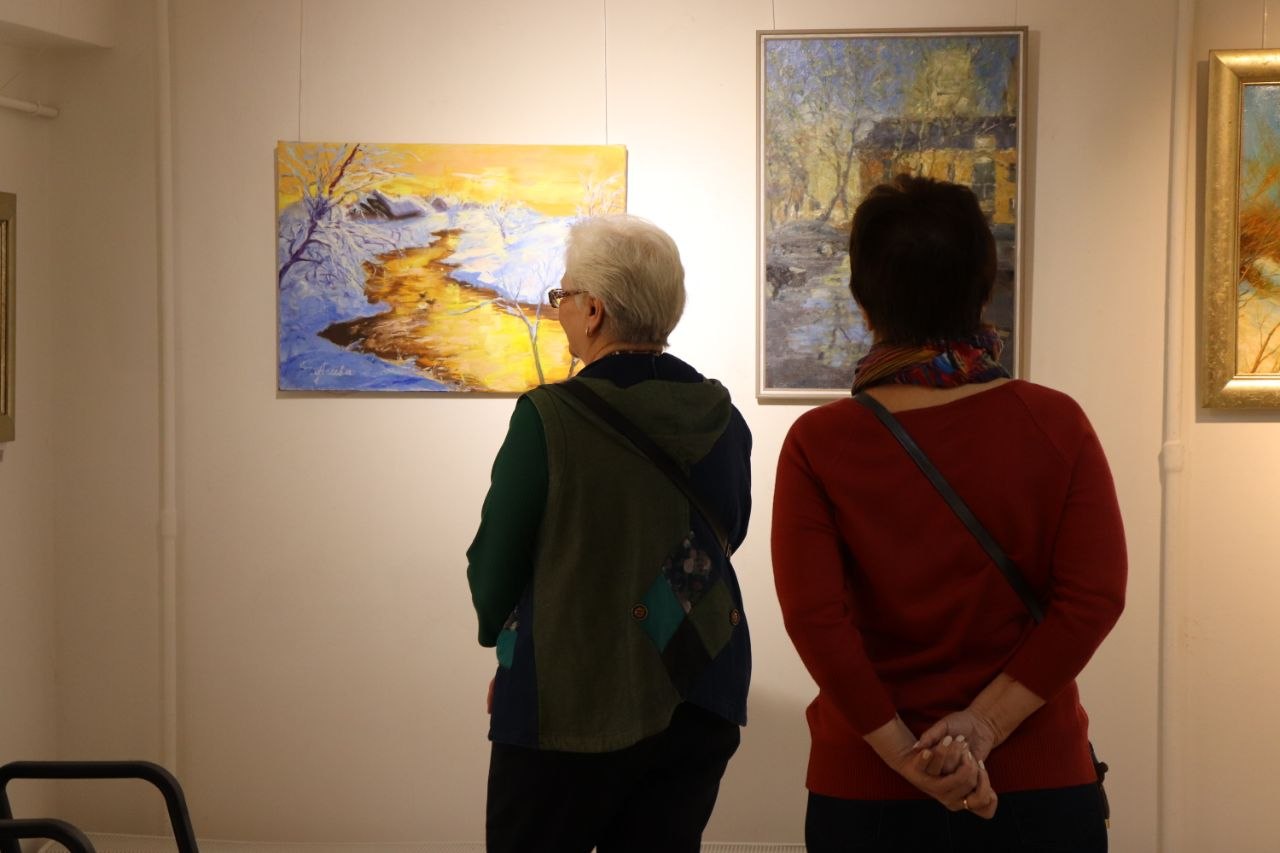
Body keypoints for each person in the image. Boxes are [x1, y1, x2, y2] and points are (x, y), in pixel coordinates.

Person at [771, 174, 1127, 852]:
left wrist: (907, 756)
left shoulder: (819, 444)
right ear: (983, 290)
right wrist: (984, 725)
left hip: (870, 789)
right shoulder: (1055, 423)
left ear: (863, 300)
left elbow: (817, 622)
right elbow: (1093, 598)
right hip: (1034, 782)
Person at [466, 214, 752, 853]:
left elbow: (495, 569)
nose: (560, 309)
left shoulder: (547, 419)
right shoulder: (722, 415)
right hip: (699, 689)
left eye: (563, 296)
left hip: (567, 701)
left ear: (593, 311)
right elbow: (726, 533)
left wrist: (513, 646)